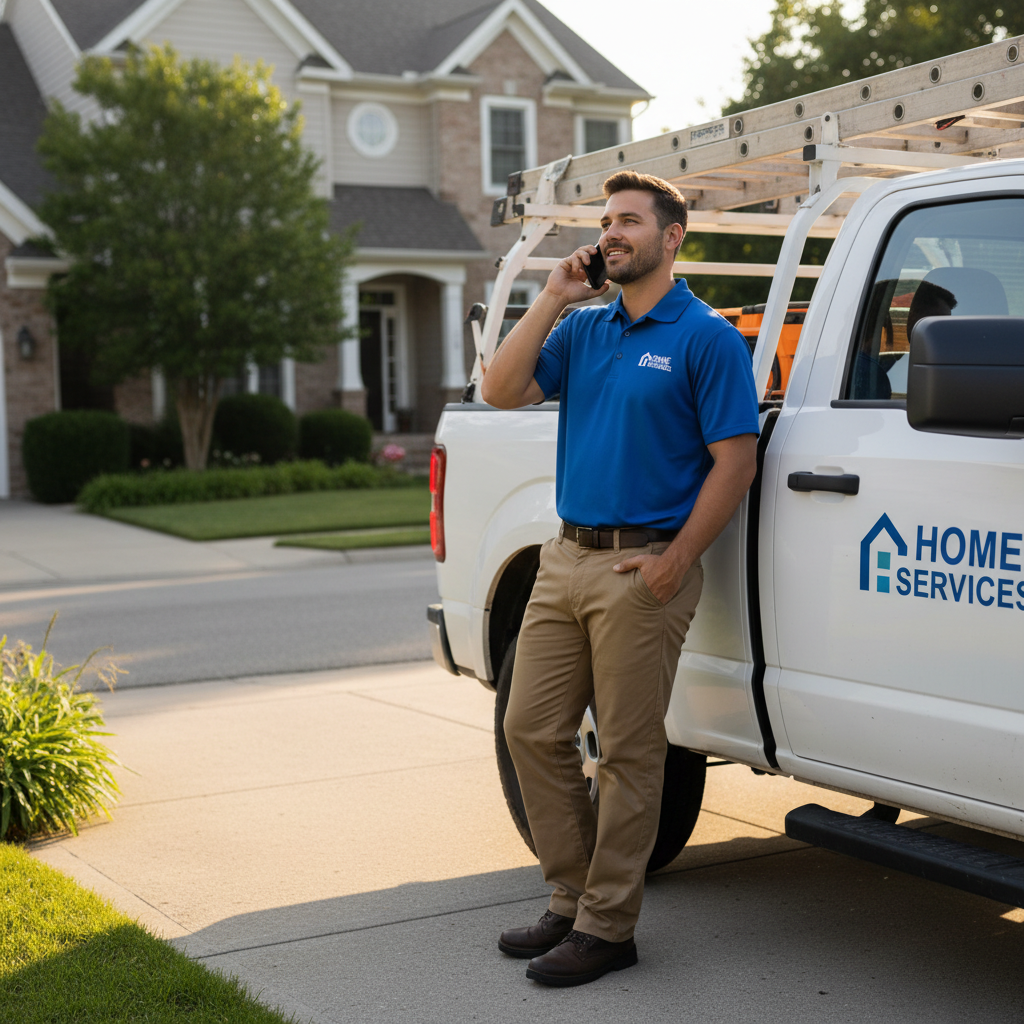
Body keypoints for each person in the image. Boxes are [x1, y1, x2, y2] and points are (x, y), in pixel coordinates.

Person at [480, 170, 760, 987]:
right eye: (607, 222)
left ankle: (608, 926)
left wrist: (676, 560)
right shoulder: (584, 329)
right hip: (565, 559)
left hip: (643, 567)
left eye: (630, 221)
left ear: (673, 237)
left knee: (632, 755)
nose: (612, 233)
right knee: (529, 728)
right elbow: (498, 391)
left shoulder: (704, 335)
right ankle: (569, 900)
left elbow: (735, 461)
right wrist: (554, 295)